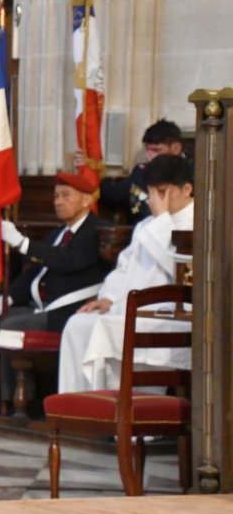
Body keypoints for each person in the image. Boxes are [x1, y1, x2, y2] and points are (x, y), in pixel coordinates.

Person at [0, 171, 110, 414]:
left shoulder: (97, 230)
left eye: (66, 196)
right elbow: (34, 273)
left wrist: (23, 244)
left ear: (86, 200)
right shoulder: (57, 234)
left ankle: (21, 401)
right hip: (41, 306)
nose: (58, 202)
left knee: (14, 324)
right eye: (55, 196)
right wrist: (6, 298)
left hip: (70, 311)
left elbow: (69, 260)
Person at [59, 154, 194, 393]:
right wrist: (108, 297)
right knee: (77, 325)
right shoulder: (147, 225)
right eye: (151, 193)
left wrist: (162, 221)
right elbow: (124, 267)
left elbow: (180, 270)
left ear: (186, 189)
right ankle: (81, 408)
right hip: (127, 307)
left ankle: (137, 419)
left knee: (118, 333)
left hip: (168, 314)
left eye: (162, 192)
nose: (154, 201)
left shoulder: (196, 223)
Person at [99, 119, 184, 223]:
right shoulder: (141, 172)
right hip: (141, 230)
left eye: (156, 150)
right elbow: (115, 193)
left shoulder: (188, 175)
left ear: (176, 148)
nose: (150, 156)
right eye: (147, 149)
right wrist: (92, 170)